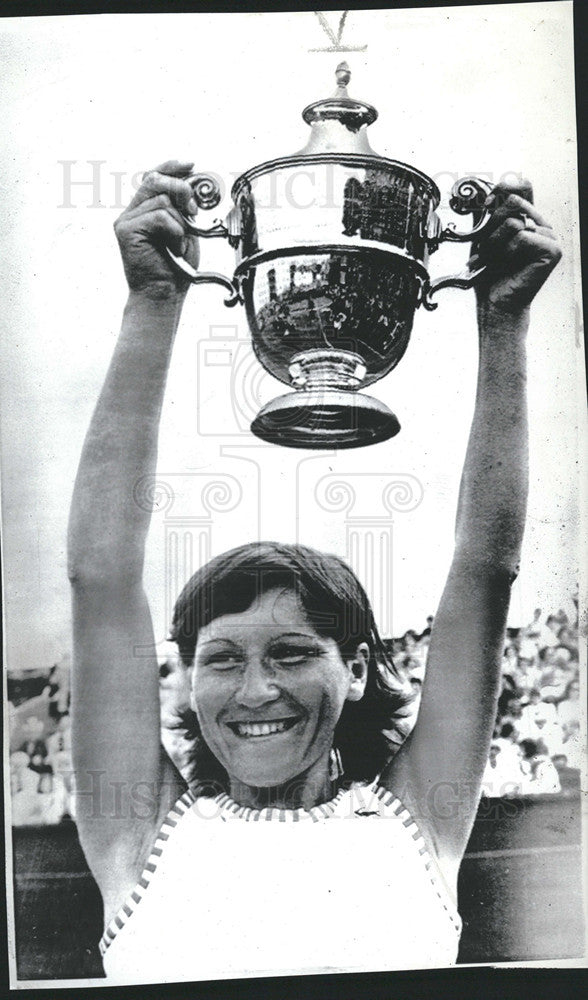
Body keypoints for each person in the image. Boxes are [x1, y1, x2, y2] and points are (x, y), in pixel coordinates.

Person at [68, 162, 561, 982]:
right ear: (189, 680)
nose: (256, 690)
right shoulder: (141, 835)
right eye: (221, 659)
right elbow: (100, 576)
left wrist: (503, 321)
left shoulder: (419, 818)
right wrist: (153, 301)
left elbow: (486, 569)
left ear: (359, 667)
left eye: (292, 654)